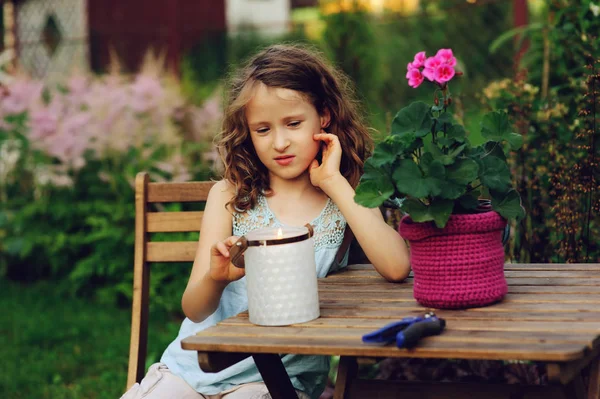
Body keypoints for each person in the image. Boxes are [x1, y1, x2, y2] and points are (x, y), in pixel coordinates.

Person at [121, 43, 410, 399]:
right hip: (194, 368)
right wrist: (216, 277)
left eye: (293, 123)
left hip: (276, 379)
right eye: (262, 130)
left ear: (325, 115)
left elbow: (397, 266)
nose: (280, 143)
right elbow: (194, 309)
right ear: (247, 131)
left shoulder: (346, 195)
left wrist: (333, 183)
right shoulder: (230, 196)